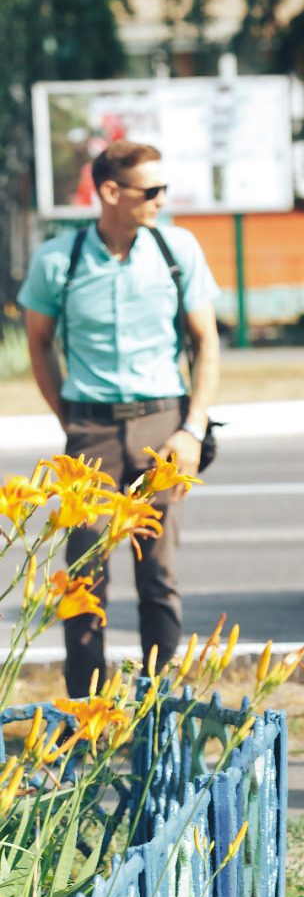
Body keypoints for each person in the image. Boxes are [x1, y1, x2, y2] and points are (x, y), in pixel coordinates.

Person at [19, 140, 222, 697]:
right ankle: (87, 713)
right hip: (90, 428)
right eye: (150, 190)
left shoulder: (176, 248)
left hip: (165, 426)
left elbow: (207, 343)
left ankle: (156, 710)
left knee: (158, 577)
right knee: (85, 576)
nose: (161, 198)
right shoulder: (58, 259)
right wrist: (71, 416)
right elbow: (39, 342)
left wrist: (193, 428)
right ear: (110, 191)